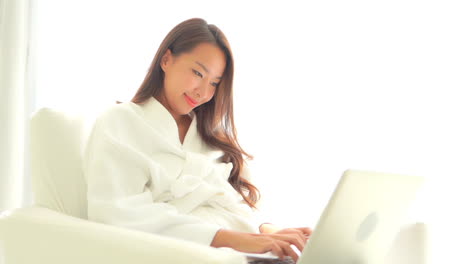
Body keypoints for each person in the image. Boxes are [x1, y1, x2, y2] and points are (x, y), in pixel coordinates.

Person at [83, 18, 311, 262]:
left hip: (244, 250)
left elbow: (237, 205)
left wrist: (268, 231)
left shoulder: (210, 135)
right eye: (197, 73)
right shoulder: (120, 122)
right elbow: (116, 210)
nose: (203, 92)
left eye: (214, 83)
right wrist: (229, 238)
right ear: (166, 60)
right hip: (189, 254)